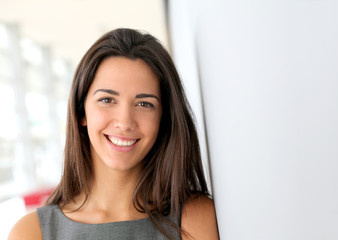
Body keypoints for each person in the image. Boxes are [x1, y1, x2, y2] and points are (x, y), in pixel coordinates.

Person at [8, 28, 219, 240]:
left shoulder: (194, 218)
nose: (125, 122)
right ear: (82, 112)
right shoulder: (31, 233)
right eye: (107, 100)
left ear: (163, 119)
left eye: (144, 104)